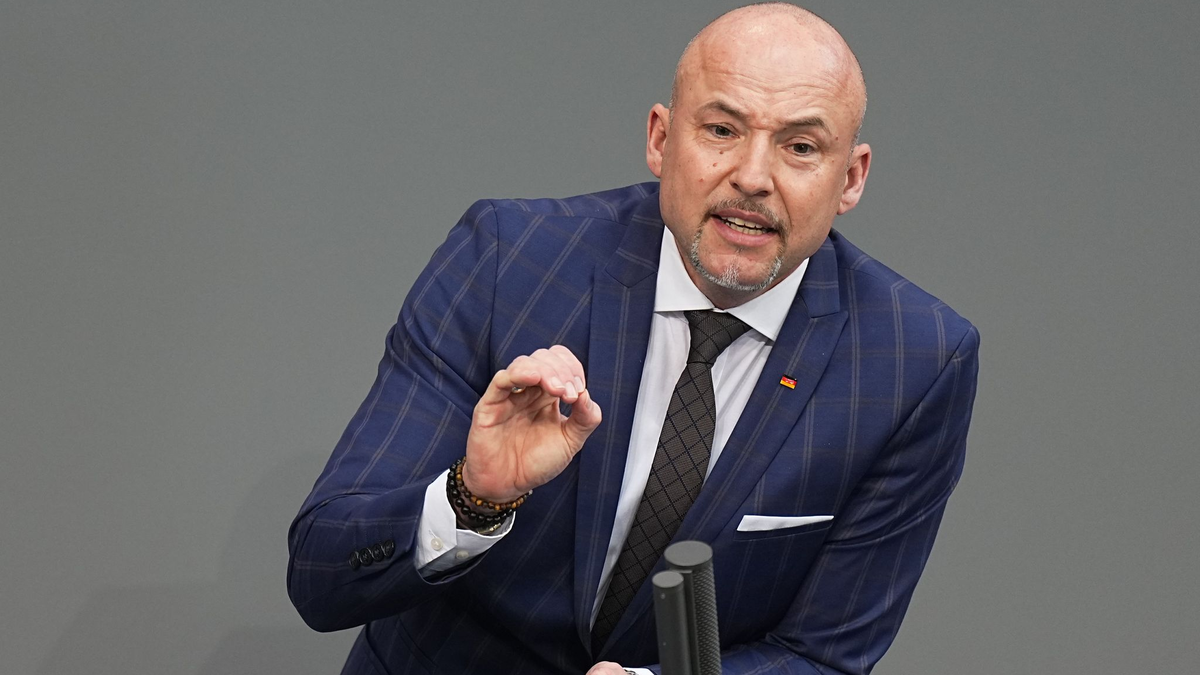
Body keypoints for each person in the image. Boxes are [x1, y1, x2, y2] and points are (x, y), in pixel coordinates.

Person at [287, 3, 980, 674]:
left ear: (851, 177)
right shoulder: (509, 262)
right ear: (660, 138)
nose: (753, 177)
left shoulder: (913, 361)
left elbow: (823, 654)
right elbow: (322, 570)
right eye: (721, 130)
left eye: (800, 146)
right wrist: (475, 496)